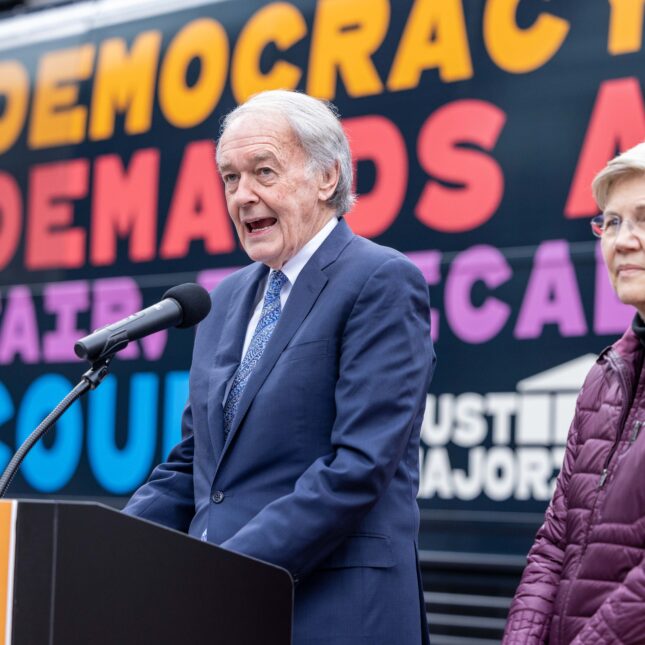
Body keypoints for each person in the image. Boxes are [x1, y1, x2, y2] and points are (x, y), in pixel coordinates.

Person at [123, 89, 435, 645]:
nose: (243, 196)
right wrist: (109, 544)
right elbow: (197, 464)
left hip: (334, 615)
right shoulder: (221, 301)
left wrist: (224, 568)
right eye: (230, 178)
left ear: (327, 178)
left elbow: (357, 467)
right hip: (229, 608)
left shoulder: (380, 280)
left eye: (263, 172)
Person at [503, 141, 645, 644]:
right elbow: (555, 540)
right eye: (611, 222)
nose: (623, 241)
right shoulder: (605, 375)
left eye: (643, 219)